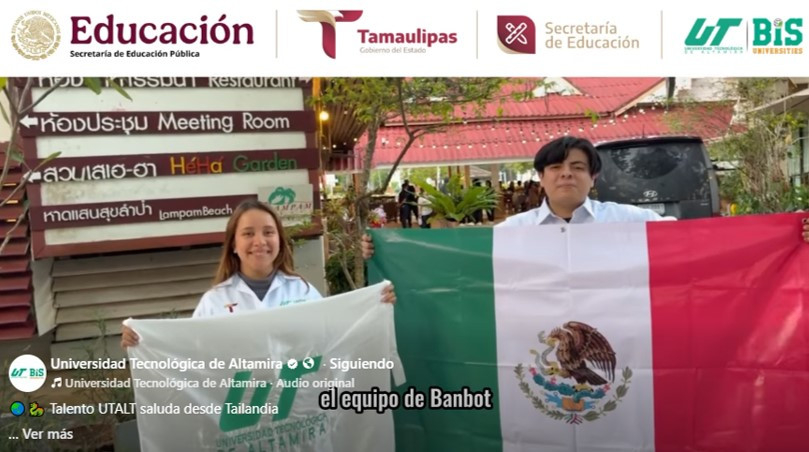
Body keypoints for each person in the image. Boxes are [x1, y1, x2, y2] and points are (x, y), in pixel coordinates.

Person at [361, 136, 809, 257]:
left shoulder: (626, 221)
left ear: (593, 177)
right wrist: (383, 248)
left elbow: (693, 239)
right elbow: (453, 258)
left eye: (578, 167)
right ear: (541, 176)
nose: (566, 175)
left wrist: (784, 233)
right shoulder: (514, 232)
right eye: (556, 168)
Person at [122, 198, 396, 348]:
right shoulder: (214, 301)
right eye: (248, 234)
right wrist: (144, 341)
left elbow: (334, 337)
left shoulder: (302, 291)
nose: (260, 242)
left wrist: (373, 305)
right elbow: (189, 353)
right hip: (243, 422)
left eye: (268, 232)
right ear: (233, 245)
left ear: (280, 240)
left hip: (300, 416)